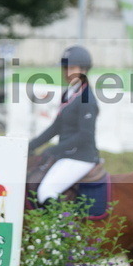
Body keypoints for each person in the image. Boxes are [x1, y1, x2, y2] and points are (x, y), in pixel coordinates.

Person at [28, 45, 99, 204]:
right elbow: (56, 127)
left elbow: (85, 135)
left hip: (81, 157)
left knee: (47, 191)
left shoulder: (87, 98)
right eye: (65, 68)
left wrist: (53, 149)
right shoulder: (69, 93)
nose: (67, 73)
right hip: (67, 154)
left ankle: (60, 229)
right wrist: (31, 145)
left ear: (84, 69)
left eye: (72, 68)